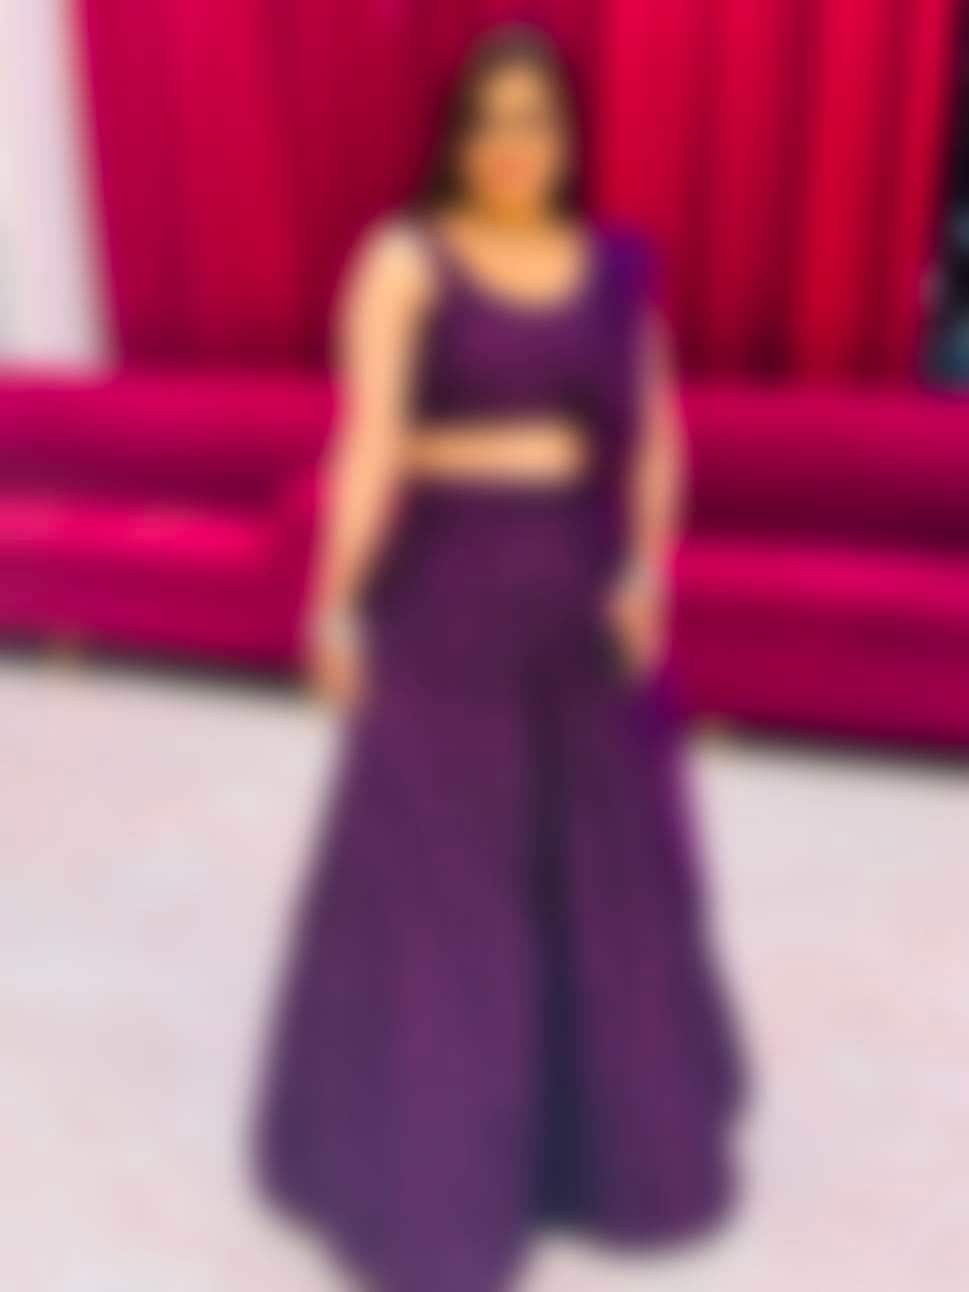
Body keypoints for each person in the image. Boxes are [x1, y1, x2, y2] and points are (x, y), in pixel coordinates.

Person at [254, 24, 743, 1292]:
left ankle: (587, 1156)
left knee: (600, 877)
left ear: (567, 135)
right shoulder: (403, 258)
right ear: (457, 135)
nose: (513, 145)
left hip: (581, 600)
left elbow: (657, 437)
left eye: (537, 119)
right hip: (445, 598)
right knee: (445, 881)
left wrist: (645, 572)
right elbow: (369, 443)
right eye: (489, 120)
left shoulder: (615, 268)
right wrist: (332, 607)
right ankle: (438, 1181)